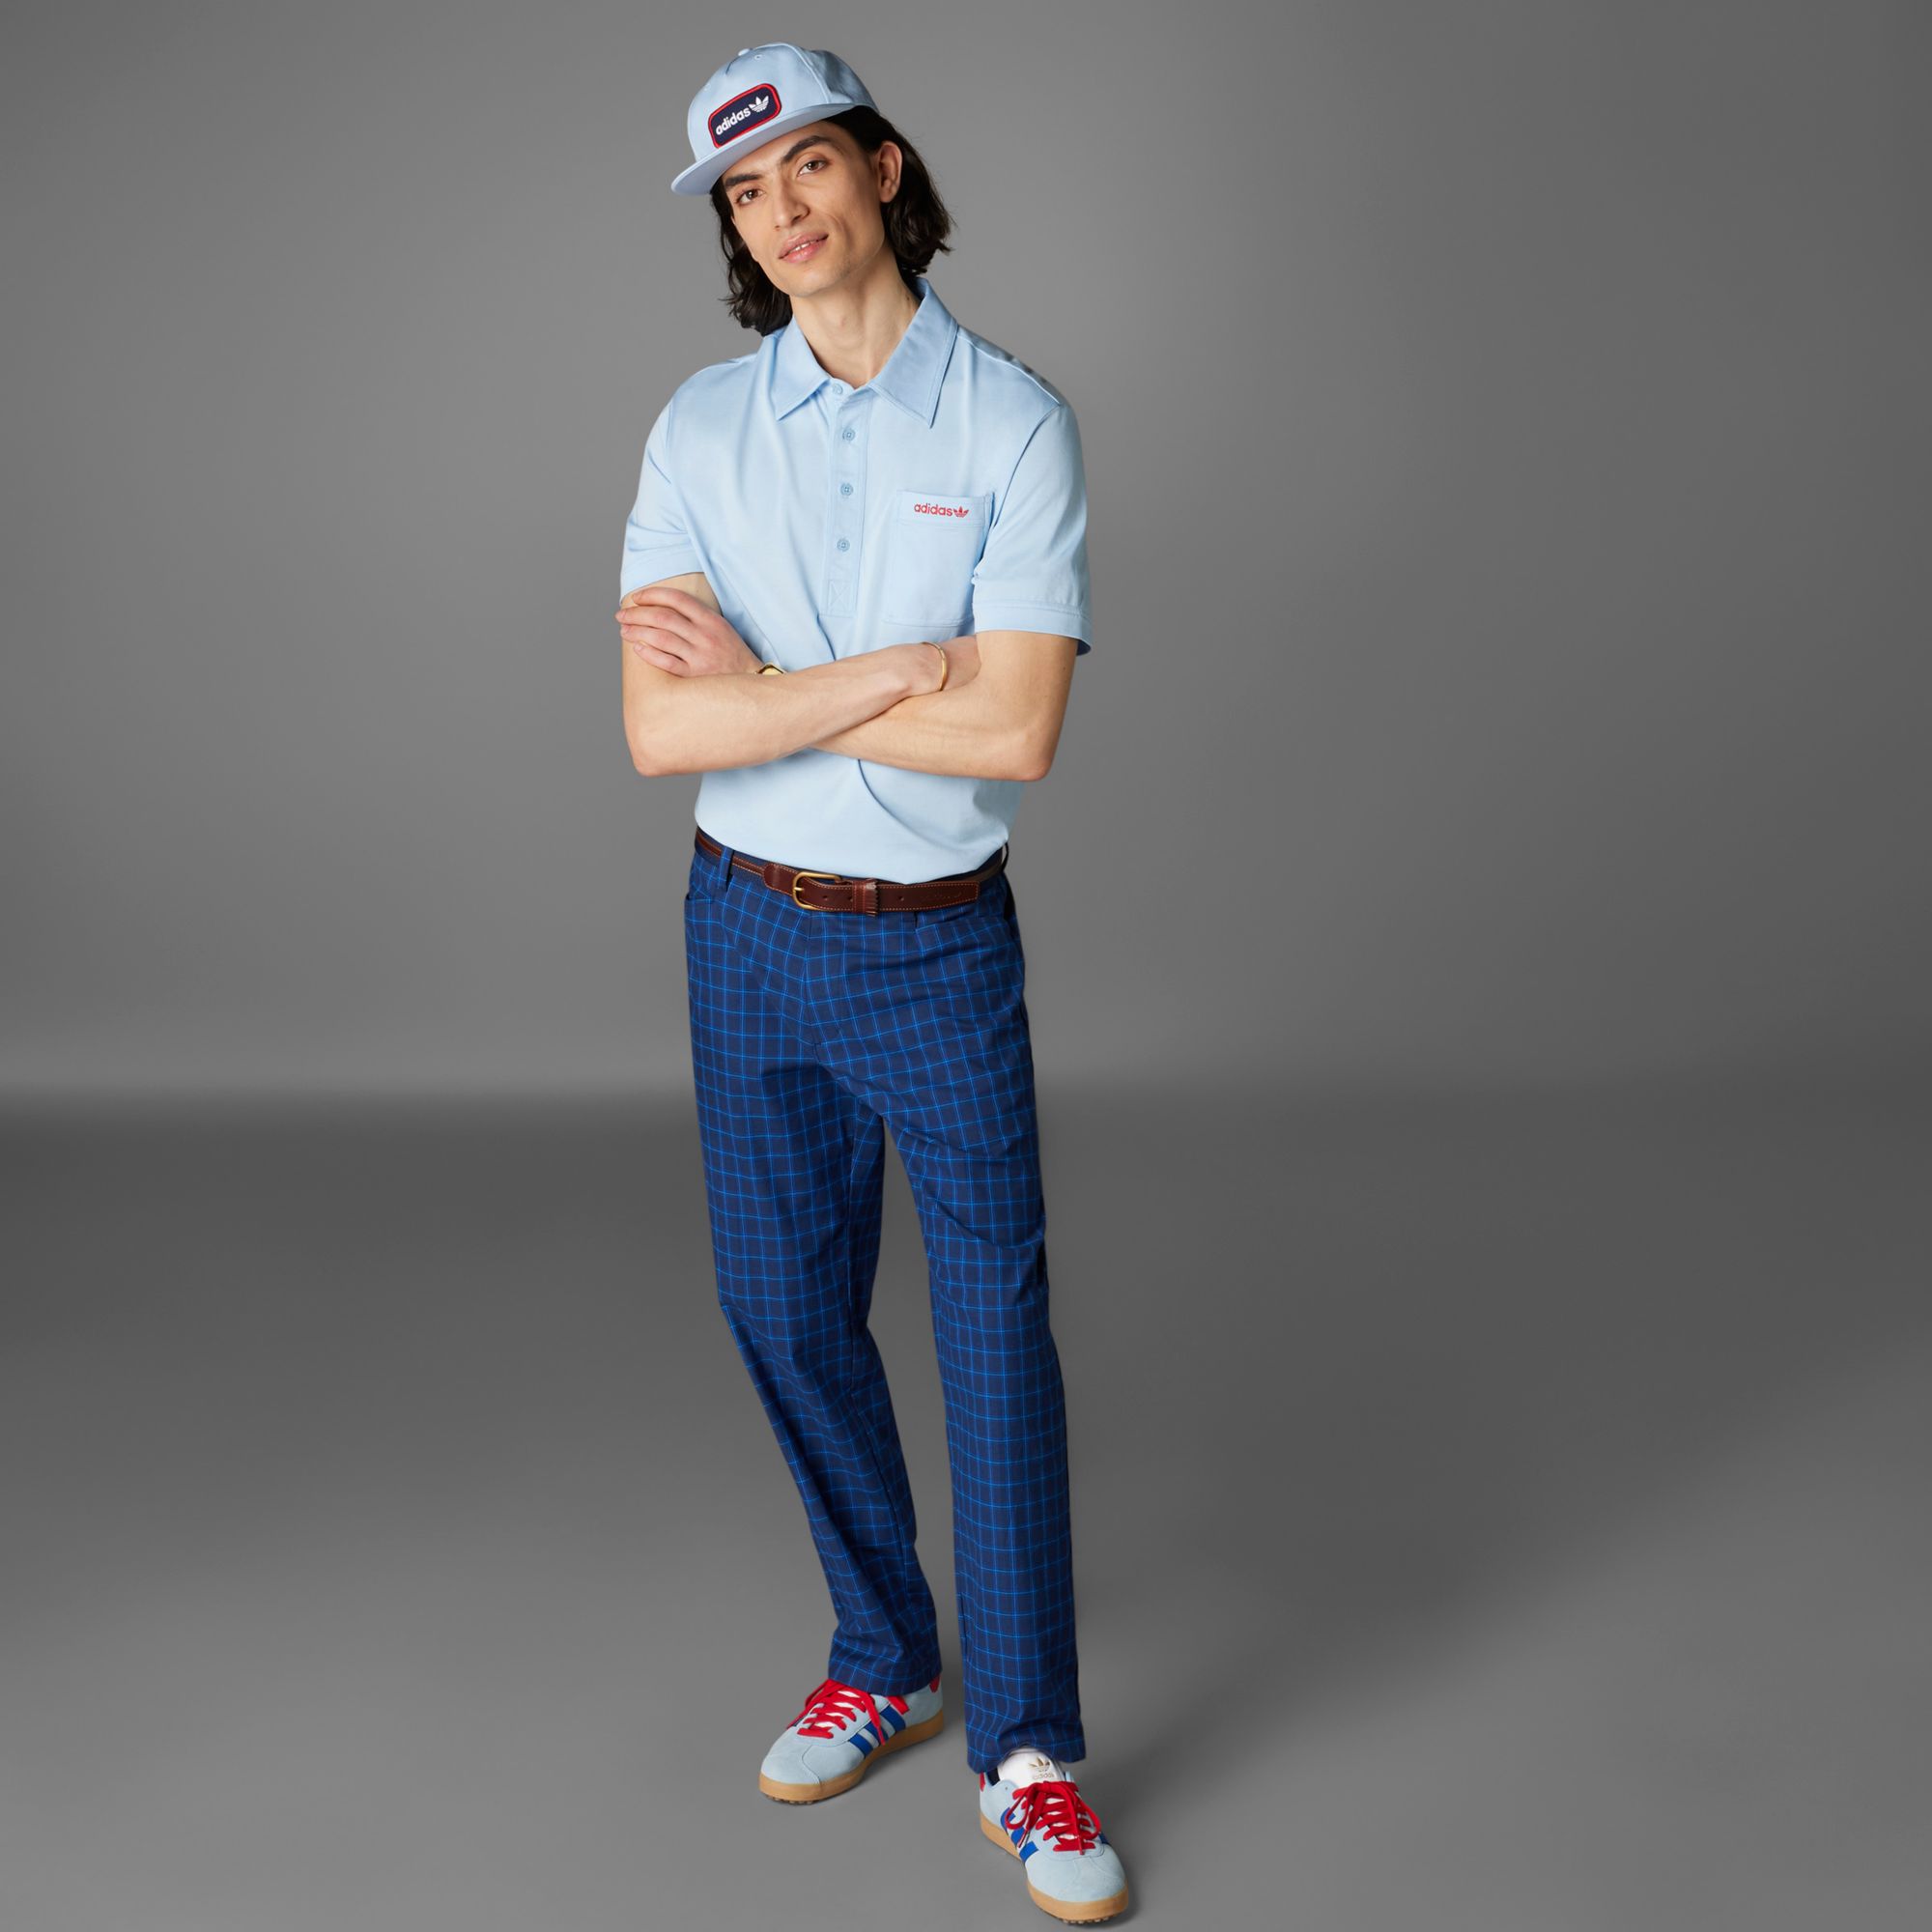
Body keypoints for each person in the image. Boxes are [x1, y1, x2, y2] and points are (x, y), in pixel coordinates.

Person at [615, 43, 1127, 1923]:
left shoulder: (1012, 425)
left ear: (883, 170)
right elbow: (659, 732)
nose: (784, 213)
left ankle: (1031, 1751)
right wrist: (901, 671)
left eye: (810, 168)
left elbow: (1018, 733)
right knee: (780, 1305)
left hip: (933, 943)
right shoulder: (696, 431)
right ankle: (880, 1650)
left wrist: (770, 687)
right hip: (742, 929)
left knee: (993, 1340)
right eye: (747, 195)